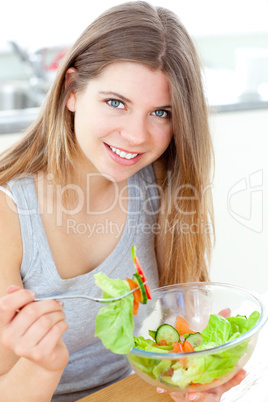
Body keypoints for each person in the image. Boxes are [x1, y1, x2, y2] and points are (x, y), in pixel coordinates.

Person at [0, 1, 246, 401]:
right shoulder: (7, 217)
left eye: (161, 113)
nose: (136, 136)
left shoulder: (161, 182)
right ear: (72, 91)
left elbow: (179, 326)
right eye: (116, 102)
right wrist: (42, 366)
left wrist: (192, 375)